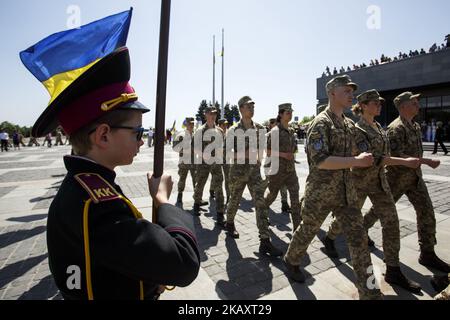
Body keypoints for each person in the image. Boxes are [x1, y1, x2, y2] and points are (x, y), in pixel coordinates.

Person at [23, 47, 200, 299]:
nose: (142, 141)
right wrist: (163, 202)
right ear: (103, 135)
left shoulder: (86, 184)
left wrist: (149, 276)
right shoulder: (96, 204)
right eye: (138, 132)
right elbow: (183, 264)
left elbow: (111, 262)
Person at [283, 75, 382, 300]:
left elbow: (356, 151)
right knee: (307, 230)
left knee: (359, 242)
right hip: (321, 193)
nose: (351, 94)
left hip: (346, 194)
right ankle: (291, 259)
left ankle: (371, 294)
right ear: (332, 93)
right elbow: (321, 160)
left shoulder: (348, 124)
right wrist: (356, 161)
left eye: (351, 91)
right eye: (346, 90)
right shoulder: (321, 123)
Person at [323, 89, 422, 293]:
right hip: (359, 183)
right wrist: (404, 161)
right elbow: (373, 158)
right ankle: (330, 237)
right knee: (344, 221)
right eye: (375, 103)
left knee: (391, 223)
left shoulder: (378, 127)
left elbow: (382, 156)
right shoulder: (357, 129)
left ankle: (393, 269)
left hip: (379, 183)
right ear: (364, 106)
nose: (379, 106)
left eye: (379, 103)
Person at [362, 92, 450, 273]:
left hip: (415, 180)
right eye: (413, 102)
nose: (417, 105)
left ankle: (427, 252)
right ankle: (361, 230)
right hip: (396, 180)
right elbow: (394, 156)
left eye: (417, 102)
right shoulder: (396, 128)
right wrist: (426, 162)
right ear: (402, 107)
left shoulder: (415, 126)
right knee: (378, 211)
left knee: (427, 212)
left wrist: (422, 164)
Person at [225, 96, 283, 257]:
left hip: (255, 173)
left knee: (261, 204)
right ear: (241, 109)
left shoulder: (259, 128)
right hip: (238, 173)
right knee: (234, 201)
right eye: (248, 106)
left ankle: (265, 240)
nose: (252, 109)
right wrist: (245, 153)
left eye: (253, 106)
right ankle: (229, 222)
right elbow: (227, 154)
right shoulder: (233, 130)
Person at [264, 104, 301, 232]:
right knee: (272, 196)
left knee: (295, 200)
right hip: (277, 171)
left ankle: (297, 230)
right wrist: (284, 154)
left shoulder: (291, 131)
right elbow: (268, 152)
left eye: (291, 112)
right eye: (287, 112)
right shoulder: (275, 131)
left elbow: (293, 149)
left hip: (291, 171)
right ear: (280, 114)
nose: (290, 114)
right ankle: (262, 213)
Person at [192, 106, 225, 224]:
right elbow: (194, 148)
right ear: (205, 114)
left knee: (219, 187)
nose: (213, 116)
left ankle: (220, 213)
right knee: (200, 184)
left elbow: (222, 147)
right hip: (203, 163)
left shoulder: (220, 131)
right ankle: (196, 204)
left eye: (215, 114)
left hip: (216, 163)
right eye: (210, 113)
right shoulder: (200, 131)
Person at [173, 117, 196, 206]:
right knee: (182, 179)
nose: (192, 125)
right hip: (184, 162)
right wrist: (186, 150)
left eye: (193, 124)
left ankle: (197, 197)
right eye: (190, 124)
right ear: (186, 124)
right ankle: (180, 195)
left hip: (194, 162)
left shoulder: (195, 135)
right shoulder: (181, 135)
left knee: (196, 180)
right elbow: (175, 147)